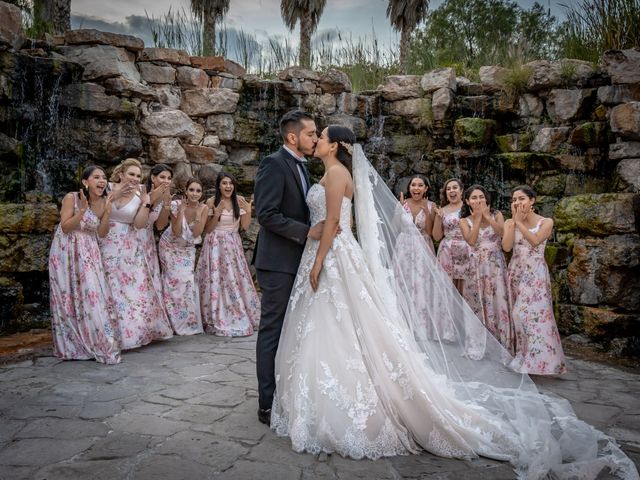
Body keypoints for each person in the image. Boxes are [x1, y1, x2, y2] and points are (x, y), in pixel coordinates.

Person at [271, 125, 637, 480]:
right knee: (337, 326)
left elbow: (334, 223)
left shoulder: (336, 176)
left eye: (321, 137)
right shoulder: (330, 173)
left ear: (334, 146)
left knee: (339, 324)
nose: (316, 140)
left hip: (331, 257)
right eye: (313, 135)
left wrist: (318, 263)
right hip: (328, 255)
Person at [253, 110, 326, 426]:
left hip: (300, 260)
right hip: (278, 262)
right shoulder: (273, 164)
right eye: (311, 134)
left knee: (293, 330)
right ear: (292, 137)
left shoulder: (303, 169)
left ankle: (288, 394)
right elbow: (266, 214)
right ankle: (266, 404)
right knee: (272, 330)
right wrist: (306, 231)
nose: (315, 138)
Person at [99, 158, 173, 350]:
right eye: (131, 174)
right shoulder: (107, 187)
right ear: (121, 174)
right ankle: (110, 334)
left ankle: (132, 334)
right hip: (107, 241)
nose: (134, 178)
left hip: (131, 244)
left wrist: (147, 203)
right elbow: (96, 212)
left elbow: (140, 224)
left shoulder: (141, 192)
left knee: (131, 289)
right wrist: (113, 196)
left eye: (138, 175)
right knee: (110, 287)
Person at [49, 166, 120, 364]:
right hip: (66, 250)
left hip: (89, 250)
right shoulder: (72, 198)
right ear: (85, 182)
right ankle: (72, 347)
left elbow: (103, 232)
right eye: (96, 177)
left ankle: (98, 342)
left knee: (91, 294)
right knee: (66, 296)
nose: (102, 181)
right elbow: (65, 226)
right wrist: (82, 211)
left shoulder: (106, 201)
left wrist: (107, 212)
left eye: (104, 178)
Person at [502, 185, 567, 375]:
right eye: (514, 199)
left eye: (521, 199)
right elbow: (506, 247)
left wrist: (519, 222)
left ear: (532, 201)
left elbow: (536, 240)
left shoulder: (546, 222)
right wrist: (512, 224)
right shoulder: (509, 222)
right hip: (516, 270)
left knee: (526, 314)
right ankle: (523, 355)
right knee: (518, 316)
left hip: (535, 272)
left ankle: (538, 360)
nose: (517, 203)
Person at [196, 172, 259, 337]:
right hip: (215, 244)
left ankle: (237, 310)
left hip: (233, 245)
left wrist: (247, 210)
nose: (228, 186)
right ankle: (214, 315)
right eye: (224, 183)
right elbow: (207, 230)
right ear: (219, 185)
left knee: (233, 280)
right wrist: (216, 214)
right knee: (216, 280)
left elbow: (244, 227)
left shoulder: (239, 201)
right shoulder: (212, 202)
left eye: (230, 183)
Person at [459, 185, 514, 355]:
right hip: (475, 268)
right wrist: (476, 219)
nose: (478, 201)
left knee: (498, 302)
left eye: (481, 197)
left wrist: (487, 217)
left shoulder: (497, 215)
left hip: (495, 266)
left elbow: (503, 234)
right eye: (474, 198)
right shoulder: (463, 221)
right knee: (477, 303)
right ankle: (479, 344)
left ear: (486, 199)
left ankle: (501, 343)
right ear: (467, 201)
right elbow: (471, 241)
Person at [159, 177, 207, 336]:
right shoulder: (175, 204)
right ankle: (171, 321)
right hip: (170, 245)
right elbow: (177, 231)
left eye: (198, 191)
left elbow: (196, 233)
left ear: (202, 193)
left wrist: (199, 215)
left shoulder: (204, 208)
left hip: (187, 248)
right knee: (172, 281)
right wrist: (180, 212)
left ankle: (187, 321)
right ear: (186, 191)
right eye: (191, 190)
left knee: (186, 281)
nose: (194, 193)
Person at [137, 164, 173, 302]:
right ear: (153, 177)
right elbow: (135, 215)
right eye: (162, 177)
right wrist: (153, 197)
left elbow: (160, 225)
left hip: (148, 240)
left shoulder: (166, 196)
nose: (166, 181)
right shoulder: (141, 191)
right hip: (133, 236)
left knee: (148, 280)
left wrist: (166, 205)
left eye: (169, 178)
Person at [432, 178, 469, 296]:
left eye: (454, 188)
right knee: (446, 287)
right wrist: (438, 217)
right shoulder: (442, 210)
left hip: (467, 250)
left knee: (467, 287)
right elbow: (437, 237)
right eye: (448, 189)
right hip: (447, 251)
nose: (451, 191)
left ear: (461, 190)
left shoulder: (468, 208)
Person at [399, 174, 435, 254]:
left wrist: (426, 211)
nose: (416, 188)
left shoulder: (431, 206)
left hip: (424, 247)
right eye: (413, 185)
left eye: (420, 185)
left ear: (426, 189)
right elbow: (395, 227)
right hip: (404, 245)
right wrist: (400, 209)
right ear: (409, 188)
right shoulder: (402, 204)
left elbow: (429, 233)